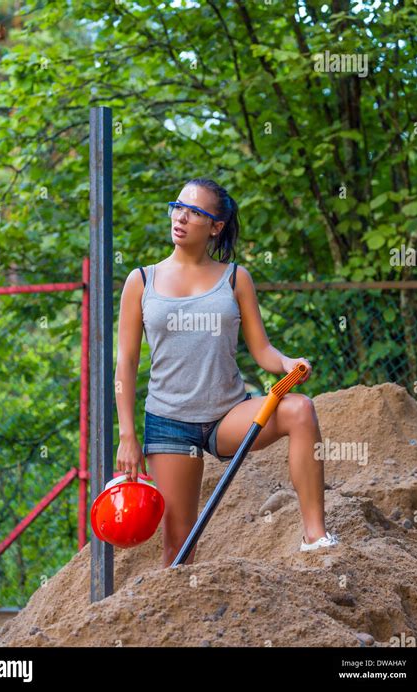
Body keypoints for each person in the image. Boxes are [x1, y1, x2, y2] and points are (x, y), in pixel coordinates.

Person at [115, 177, 339, 568]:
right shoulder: (142, 280)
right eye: (177, 206)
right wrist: (128, 435)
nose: (180, 217)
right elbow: (126, 363)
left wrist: (288, 364)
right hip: (169, 424)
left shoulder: (235, 278)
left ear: (215, 226)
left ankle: (315, 537)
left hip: (227, 415)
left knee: (300, 410)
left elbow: (263, 351)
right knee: (178, 551)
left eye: (194, 212)